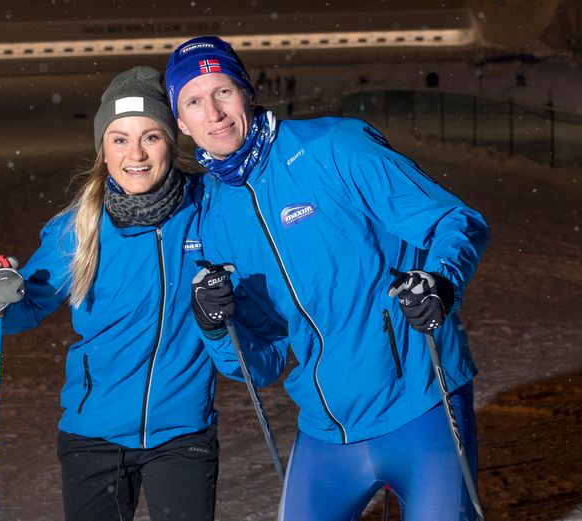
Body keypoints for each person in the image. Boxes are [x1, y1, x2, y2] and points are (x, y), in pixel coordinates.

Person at [166, 36, 490, 520]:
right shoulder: (212, 219)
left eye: (223, 91)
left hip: (420, 405)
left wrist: (440, 282)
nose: (213, 112)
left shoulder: (333, 147)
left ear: (248, 93)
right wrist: (216, 326)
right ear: (180, 121)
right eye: (194, 101)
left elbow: (455, 221)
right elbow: (265, 361)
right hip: (326, 430)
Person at [0, 66, 285, 521]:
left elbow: (256, 336)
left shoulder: (209, 212)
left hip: (183, 435)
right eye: (119, 139)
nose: (135, 154)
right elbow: (21, 310)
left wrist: (222, 317)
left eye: (151, 137)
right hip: (92, 436)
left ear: (171, 141)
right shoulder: (79, 228)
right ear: (102, 149)